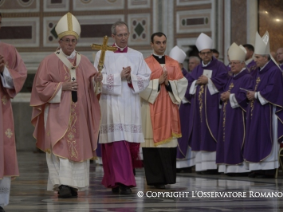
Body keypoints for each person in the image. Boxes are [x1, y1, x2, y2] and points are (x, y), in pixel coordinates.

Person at [30, 12, 101, 198]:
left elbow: (93, 87)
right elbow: (40, 87)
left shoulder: (84, 61)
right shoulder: (49, 61)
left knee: (77, 148)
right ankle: (62, 185)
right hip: (57, 114)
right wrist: (63, 86)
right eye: (66, 40)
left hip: (79, 115)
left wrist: (97, 81)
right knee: (59, 148)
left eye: (73, 40)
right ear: (59, 42)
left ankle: (74, 185)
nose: (70, 44)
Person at [94, 21, 151, 194]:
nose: (124, 38)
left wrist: (131, 77)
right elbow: (97, 79)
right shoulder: (102, 54)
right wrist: (118, 76)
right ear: (113, 36)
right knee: (116, 143)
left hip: (130, 105)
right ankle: (122, 181)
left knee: (128, 145)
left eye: (126, 34)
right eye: (120, 35)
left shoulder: (137, 55)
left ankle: (118, 181)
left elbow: (145, 78)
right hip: (112, 104)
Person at [0, 7, 27, 212]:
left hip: (2, 112)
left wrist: (4, 71)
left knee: (3, 151)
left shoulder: (9, 49)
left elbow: (20, 75)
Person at [140, 32, 187, 188]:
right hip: (150, 108)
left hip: (169, 109)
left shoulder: (173, 64)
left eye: (164, 42)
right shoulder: (144, 63)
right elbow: (139, 86)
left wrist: (168, 84)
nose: (161, 45)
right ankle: (154, 179)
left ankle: (167, 178)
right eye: (158, 42)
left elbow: (182, 84)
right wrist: (157, 82)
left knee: (167, 146)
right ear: (151, 44)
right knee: (151, 145)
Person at [243, 31, 283, 178]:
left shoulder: (274, 71)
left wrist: (255, 95)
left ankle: (268, 169)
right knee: (256, 137)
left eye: (257, 57)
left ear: (265, 57)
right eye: (255, 57)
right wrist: (249, 93)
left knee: (266, 137)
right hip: (256, 109)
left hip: (269, 111)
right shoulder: (257, 71)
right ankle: (257, 167)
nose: (254, 60)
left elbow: (273, 91)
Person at [184, 33, 228, 172]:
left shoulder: (220, 66)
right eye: (203, 54)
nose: (206, 56)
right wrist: (196, 83)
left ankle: (214, 166)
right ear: (199, 55)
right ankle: (202, 166)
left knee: (213, 133)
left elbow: (224, 81)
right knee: (199, 133)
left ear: (211, 53)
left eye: (208, 53)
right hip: (198, 110)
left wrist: (208, 81)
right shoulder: (196, 69)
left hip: (213, 109)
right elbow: (189, 83)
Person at [216, 43, 252, 174]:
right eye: (231, 63)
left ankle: (238, 167)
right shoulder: (231, 78)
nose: (232, 65)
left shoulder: (247, 77)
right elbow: (225, 92)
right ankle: (227, 166)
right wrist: (224, 96)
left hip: (238, 115)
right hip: (227, 113)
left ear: (242, 64)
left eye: (235, 63)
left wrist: (230, 96)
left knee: (236, 137)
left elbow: (246, 96)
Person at [169, 46, 194, 173]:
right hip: (169, 111)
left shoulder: (188, 77)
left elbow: (188, 94)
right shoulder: (168, 76)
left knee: (182, 135)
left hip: (183, 110)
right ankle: (171, 162)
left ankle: (184, 164)